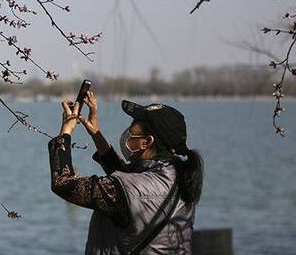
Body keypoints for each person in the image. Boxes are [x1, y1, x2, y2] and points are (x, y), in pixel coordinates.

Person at [48, 91, 203, 254]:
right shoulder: (179, 176)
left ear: (146, 142)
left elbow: (63, 184)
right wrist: (96, 134)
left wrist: (66, 131)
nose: (128, 130)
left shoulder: (131, 191)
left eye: (133, 127)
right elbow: (131, 184)